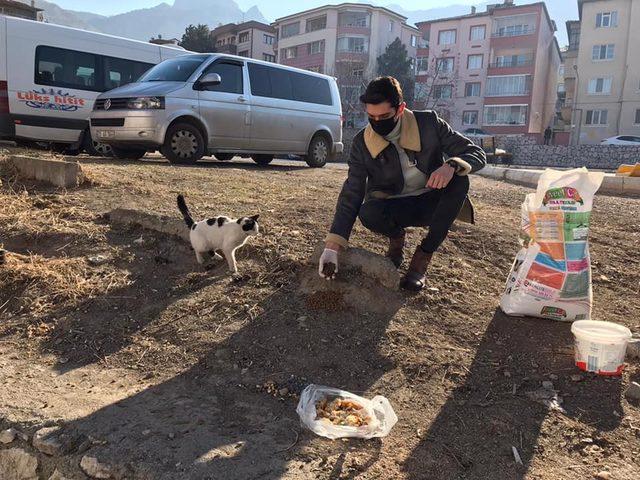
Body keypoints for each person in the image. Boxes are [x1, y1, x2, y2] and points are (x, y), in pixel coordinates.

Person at [318, 77, 486, 291]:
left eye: (385, 116)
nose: (378, 122)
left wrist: (451, 165)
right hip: (396, 205)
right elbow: (352, 191)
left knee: (460, 180)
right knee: (368, 212)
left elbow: (476, 153)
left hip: (431, 202)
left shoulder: (429, 123)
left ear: (400, 109)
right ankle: (396, 240)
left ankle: (422, 259)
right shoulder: (362, 143)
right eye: (371, 117)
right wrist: (333, 246)